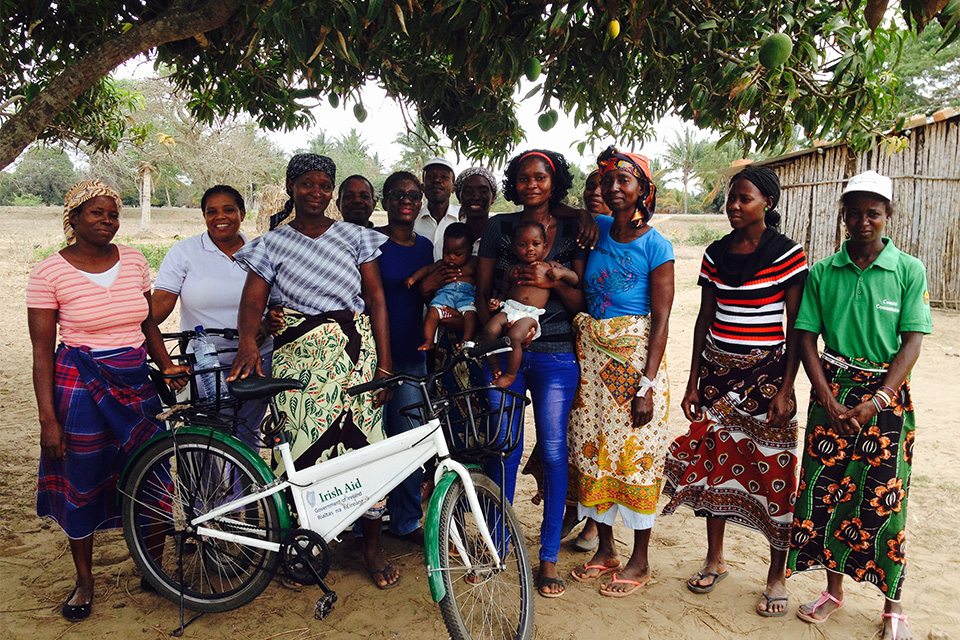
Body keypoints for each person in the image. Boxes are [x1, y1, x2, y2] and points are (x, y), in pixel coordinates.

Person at [226, 154, 400, 589]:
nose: (317, 193)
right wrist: (248, 341)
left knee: (367, 450)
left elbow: (377, 300)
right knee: (299, 450)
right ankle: (303, 545)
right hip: (298, 359)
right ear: (291, 187)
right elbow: (253, 302)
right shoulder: (272, 243)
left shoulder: (356, 237)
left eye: (325, 185)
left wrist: (385, 362)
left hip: (355, 356)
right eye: (308, 184)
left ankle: (371, 547)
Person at [27, 181, 189, 621]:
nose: (107, 222)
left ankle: (151, 570)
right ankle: (84, 581)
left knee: (154, 477)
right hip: (79, 384)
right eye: (96, 213)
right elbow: (42, 352)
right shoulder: (48, 273)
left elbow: (147, 323)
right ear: (73, 217)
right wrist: (48, 420)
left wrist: (166, 365)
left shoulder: (134, 259)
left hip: (135, 382)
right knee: (83, 480)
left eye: (113, 214)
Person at [787, 170, 931, 640]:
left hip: (886, 400)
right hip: (830, 394)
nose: (863, 221)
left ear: (888, 215)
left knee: (885, 501)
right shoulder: (824, 272)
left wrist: (879, 400)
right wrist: (827, 397)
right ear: (843, 217)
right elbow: (805, 335)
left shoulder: (908, 269)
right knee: (824, 494)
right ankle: (833, 590)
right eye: (855, 212)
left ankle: (893, 606)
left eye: (873, 212)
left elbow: (911, 342)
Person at [660, 165, 808, 616]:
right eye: (730, 199)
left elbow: (797, 327)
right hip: (717, 377)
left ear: (768, 202)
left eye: (744, 198)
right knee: (713, 468)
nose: (734, 207)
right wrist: (693, 383)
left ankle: (776, 575)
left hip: (767, 378)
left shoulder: (789, 255)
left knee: (775, 474)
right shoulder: (713, 254)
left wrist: (787, 388)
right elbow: (705, 319)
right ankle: (715, 558)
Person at [476, 148, 587, 598]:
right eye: (523, 178)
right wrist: (503, 317)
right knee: (504, 445)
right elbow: (485, 292)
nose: (532, 185)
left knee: (556, 451)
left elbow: (581, 304)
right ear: (514, 183)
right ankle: (498, 545)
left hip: (557, 352)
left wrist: (553, 279)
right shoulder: (499, 227)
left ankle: (547, 558)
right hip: (506, 350)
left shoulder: (576, 230)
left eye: (541, 177)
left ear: (555, 180)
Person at [567, 147, 674, 597]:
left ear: (643, 190)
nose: (614, 188)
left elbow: (663, 318)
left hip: (633, 364)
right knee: (593, 449)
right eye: (608, 180)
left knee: (636, 455)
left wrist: (647, 385)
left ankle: (641, 558)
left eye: (624, 180)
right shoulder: (595, 230)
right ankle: (606, 549)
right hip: (591, 362)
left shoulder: (657, 244)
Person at [153, 185, 273, 447]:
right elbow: (158, 308)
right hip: (204, 364)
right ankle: (212, 489)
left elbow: (274, 309)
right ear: (204, 216)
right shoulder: (184, 252)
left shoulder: (261, 252)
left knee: (247, 436)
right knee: (208, 439)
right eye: (212, 212)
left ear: (242, 213)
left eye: (229, 210)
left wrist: (261, 331)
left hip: (257, 358)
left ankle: (247, 489)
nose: (221, 217)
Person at [373, 171, 435, 544]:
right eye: (398, 194)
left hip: (412, 357)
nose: (406, 200)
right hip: (372, 359)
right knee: (367, 444)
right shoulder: (370, 241)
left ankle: (405, 522)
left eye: (413, 194)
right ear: (386, 201)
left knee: (409, 443)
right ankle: (359, 525)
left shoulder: (425, 246)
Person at [480, 221, 579, 387]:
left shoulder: (549, 266)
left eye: (536, 244)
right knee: (489, 330)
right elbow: (505, 292)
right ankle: (494, 364)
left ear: (545, 246)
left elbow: (574, 278)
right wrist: (497, 302)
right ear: (513, 249)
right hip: (510, 308)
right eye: (522, 245)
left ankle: (510, 375)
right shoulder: (512, 269)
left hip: (530, 315)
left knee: (514, 337)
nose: (530, 248)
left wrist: (560, 273)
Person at [407, 223, 479, 350]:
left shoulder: (474, 263)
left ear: (469, 250)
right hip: (445, 296)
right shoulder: (442, 264)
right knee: (433, 313)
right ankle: (429, 340)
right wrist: (414, 278)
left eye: (458, 254)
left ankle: (466, 340)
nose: (451, 257)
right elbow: (427, 270)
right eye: (447, 253)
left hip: (466, 297)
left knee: (470, 315)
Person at [414, 157, 460, 260]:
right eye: (431, 176)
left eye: (444, 177)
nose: (437, 180)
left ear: (453, 188)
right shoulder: (412, 221)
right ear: (422, 187)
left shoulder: (462, 220)